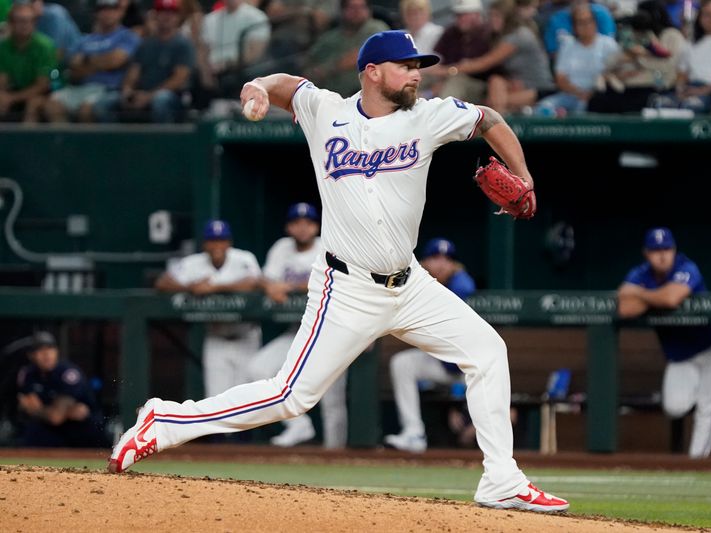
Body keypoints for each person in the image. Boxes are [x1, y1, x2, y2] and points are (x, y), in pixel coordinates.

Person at [109, 28, 569, 513]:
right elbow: (289, 84)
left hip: (410, 285)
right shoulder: (326, 110)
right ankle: (164, 422)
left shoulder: (430, 116)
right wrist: (261, 85)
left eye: (418, 66)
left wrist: (524, 175)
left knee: (487, 351)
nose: (417, 73)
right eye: (407, 65)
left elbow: (490, 118)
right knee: (289, 397)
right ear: (373, 72)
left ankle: (501, 478)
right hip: (346, 288)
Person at [617, 227, 711, 459]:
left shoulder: (686, 267)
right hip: (681, 354)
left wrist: (641, 294)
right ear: (646, 253)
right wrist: (657, 297)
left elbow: (672, 298)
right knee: (674, 407)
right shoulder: (641, 273)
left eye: (666, 249)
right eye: (655, 250)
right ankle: (703, 391)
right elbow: (625, 307)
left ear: (674, 250)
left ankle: (697, 464)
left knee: (708, 406)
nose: (662, 255)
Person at [246, 202, 349, 448]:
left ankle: (338, 454)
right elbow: (265, 278)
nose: (302, 228)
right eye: (297, 223)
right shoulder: (282, 248)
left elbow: (334, 279)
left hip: (330, 333)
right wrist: (269, 285)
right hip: (298, 331)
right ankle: (299, 426)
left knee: (331, 399)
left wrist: (290, 287)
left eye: (308, 223)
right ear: (289, 227)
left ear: (316, 226)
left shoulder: (329, 245)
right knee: (258, 368)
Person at [383, 238, 476, 453]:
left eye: (448, 259)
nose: (442, 264)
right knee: (403, 363)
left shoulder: (461, 283)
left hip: (467, 367)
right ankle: (413, 433)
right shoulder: (415, 279)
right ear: (424, 262)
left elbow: (464, 288)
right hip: (442, 363)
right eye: (435, 258)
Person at [155, 220, 263, 397]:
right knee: (215, 399)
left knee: (246, 401)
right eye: (212, 241)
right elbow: (162, 283)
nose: (217, 245)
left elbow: (255, 283)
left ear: (229, 243)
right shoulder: (193, 263)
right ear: (205, 244)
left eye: (221, 240)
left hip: (246, 337)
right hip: (216, 337)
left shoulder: (244, 258)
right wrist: (190, 287)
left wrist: (215, 287)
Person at [95, 0, 195, 122]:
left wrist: (149, 96)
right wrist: (128, 91)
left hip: (173, 98)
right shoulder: (145, 44)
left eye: (171, 13)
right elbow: (133, 73)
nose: (167, 16)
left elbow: (179, 79)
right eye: (162, 12)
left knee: (161, 100)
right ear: (155, 15)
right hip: (142, 94)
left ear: (178, 17)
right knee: (105, 103)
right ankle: (114, 141)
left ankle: (163, 141)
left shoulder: (183, 44)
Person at [42, 0, 141, 123]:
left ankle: (88, 142)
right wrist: (102, 62)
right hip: (80, 87)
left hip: (107, 89)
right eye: (103, 9)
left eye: (112, 9)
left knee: (87, 109)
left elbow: (116, 60)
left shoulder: (127, 36)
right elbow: (72, 64)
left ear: (120, 12)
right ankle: (65, 141)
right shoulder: (85, 39)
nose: (107, 13)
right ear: (96, 13)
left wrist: (86, 61)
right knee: (53, 105)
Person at [450, 0, 554, 115]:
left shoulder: (519, 35)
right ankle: (502, 120)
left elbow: (485, 63)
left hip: (538, 88)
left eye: (497, 16)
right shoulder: (498, 37)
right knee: (496, 82)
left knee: (490, 102)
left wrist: (448, 70)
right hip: (516, 84)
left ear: (508, 18)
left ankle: (501, 124)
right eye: (491, 15)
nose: (492, 19)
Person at [588, 0, 686, 114]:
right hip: (626, 86)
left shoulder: (672, 35)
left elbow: (669, 65)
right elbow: (613, 60)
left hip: (653, 87)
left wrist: (640, 58)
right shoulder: (637, 34)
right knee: (597, 101)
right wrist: (624, 62)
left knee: (635, 106)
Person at [15, 332, 109, 447]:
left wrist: (37, 410)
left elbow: (56, 417)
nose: (46, 354)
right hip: (52, 429)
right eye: (40, 350)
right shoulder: (28, 374)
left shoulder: (68, 373)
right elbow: (25, 406)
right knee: (32, 432)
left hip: (82, 428)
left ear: (56, 351)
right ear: (31, 355)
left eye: (50, 348)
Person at [533, 2, 619, 116]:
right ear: (574, 26)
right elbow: (560, 78)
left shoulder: (608, 44)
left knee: (582, 109)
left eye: (588, 21)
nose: (586, 26)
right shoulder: (567, 45)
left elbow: (615, 74)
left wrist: (591, 94)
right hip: (570, 94)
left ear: (595, 23)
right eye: (580, 23)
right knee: (542, 108)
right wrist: (579, 93)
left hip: (598, 97)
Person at [658, 0, 711, 114]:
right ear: (699, 18)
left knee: (691, 106)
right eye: (706, 15)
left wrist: (702, 90)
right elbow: (682, 74)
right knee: (662, 103)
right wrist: (680, 89)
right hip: (691, 86)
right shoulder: (691, 43)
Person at [302, 0, 388, 98]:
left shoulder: (376, 28)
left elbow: (362, 54)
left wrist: (328, 69)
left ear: (369, 10)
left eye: (362, 7)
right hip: (330, 97)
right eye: (352, 8)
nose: (357, 11)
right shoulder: (330, 37)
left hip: (365, 95)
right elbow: (309, 60)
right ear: (342, 11)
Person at [0, 1, 56, 122]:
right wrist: (3, 96)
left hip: (48, 93)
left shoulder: (45, 46)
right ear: (11, 23)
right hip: (15, 91)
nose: (25, 25)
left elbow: (42, 86)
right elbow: (2, 80)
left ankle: (28, 140)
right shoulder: (3, 47)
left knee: (33, 105)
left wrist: (11, 98)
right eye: (20, 20)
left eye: (29, 20)